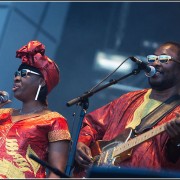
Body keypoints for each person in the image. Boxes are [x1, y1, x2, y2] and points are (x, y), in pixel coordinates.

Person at [73, 41, 180, 178]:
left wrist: (177, 142)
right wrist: (81, 142)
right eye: (152, 59)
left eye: (164, 59)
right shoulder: (128, 99)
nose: (156, 63)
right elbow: (93, 124)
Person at [0, 40, 71, 178]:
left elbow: (57, 173)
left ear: (42, 81)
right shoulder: (2, 115)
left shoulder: (54, 121)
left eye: (24, 73)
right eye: (16, 73)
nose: (16, 78)